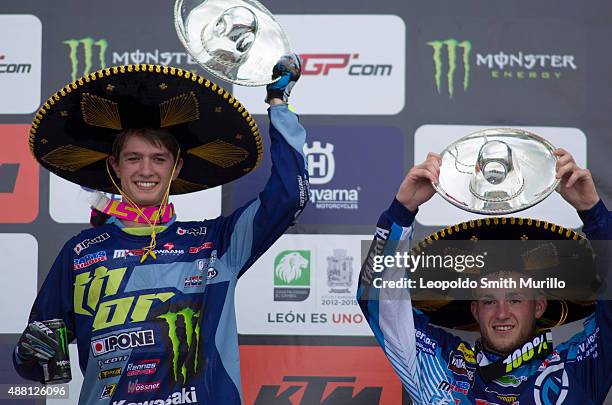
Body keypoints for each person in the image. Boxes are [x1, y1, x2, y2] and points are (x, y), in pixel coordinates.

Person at [14, 55, 308, 404]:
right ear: (115, 166)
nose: (146, 170)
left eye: (159, 159)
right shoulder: (81, 253)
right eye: (133, 158)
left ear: (176, 167)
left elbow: (290, 195)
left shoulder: (217, 243)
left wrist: (279, 104)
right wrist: (33, 352)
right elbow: (36, 362)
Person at [358, 149, 612, 404]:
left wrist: (593, 213)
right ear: (474, 309)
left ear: (539, 306)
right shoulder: (442, 362)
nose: (502, 313)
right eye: (489, 301)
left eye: (515, 299)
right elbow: (380, 301)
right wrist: (402, 210)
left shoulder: (576, 369)